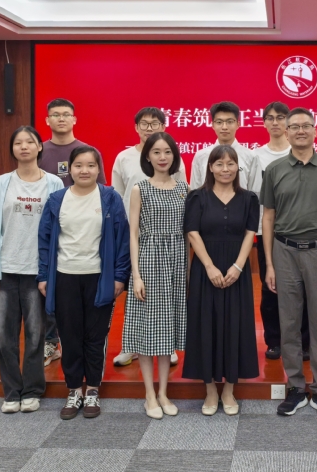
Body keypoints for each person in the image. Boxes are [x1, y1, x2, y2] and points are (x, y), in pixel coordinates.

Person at [261, 108, 317, 418]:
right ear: (285, 132)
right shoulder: (274, 169)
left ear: (315, 130)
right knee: (289, 322)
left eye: (306, 126)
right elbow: (268, 218)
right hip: (284, 252)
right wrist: (269, 264)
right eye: (294, 126)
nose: (300, 130)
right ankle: (296, 387)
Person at [37, 145, 130, 421]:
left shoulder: (110, 197)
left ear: (98, 169)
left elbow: (122, 239)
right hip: (64, 276)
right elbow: (45, 241)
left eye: (91, 165)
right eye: (79, 165)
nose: (85, 170)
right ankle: (74, 390)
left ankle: (92, 390)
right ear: (70, 169)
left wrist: (119, 276)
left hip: (99, 278)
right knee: (69, 336)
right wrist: (43, 276)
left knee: (95, 337)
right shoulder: (57, 199)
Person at [0, 126, 64, 414]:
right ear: (13, 149)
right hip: (6, 270)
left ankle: (32, 390)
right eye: (18, 143)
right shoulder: (0, 184)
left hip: (37, 272)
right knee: (5, 336)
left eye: (30, 142)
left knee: (35, 334)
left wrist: (52, 271)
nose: (24, 147)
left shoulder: (54, 183)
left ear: (40, 147)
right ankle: (11, 392)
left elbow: (59, 228)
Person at [183, 145, 260, 416]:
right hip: (206, 269)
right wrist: (209, 267)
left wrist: (239, 266)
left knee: (235, 325)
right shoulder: (197, 197)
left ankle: (229, 389)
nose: (225, 169)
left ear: (238, 167)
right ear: (210, 168)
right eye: (219, 164)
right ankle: (210, 390)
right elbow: (192, 233)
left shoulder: (249, 198)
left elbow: (250, 233)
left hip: (237, 270)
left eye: (230, 164)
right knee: (206, 325)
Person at [112, 107, 186, 368]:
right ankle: (131, 346)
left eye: (155, 123)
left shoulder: (175, 161)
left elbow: (182, 199)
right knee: (137, 293)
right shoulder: (123, 157)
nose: (149, 128)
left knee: (168, 294)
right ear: (136, 127)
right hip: (134, 234)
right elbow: (117, 196)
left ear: (163, 127)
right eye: (144, 123)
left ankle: (168, 345)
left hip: (170, 239)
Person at [122, 132, 188, 419]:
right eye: (157, 152)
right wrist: (136, 275)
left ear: (174, 156)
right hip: (149, 261)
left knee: (167, 330)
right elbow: (133, 234)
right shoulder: (140, 188)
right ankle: (149, 393)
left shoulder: (184, 188)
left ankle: (163, 392)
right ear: (147, 156)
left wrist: (187, 271)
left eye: (167, 152)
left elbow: (188, 232)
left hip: (177, 262)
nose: (163, 157)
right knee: (148, 329)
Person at [38, 98, 106, 369]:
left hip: (85, 231)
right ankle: (50, 342)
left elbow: (102, 191)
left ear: (75, 119)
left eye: (66, 114)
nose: (61, 119)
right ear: (47, 120)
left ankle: (76, 348)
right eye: (55, 115)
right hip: (49, 225)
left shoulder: (87, 151)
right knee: (50, 288)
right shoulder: (40, 150)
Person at [252, 101, 310, 361]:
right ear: (264, 122)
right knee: (270, 287)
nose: (275, 122)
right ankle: (274, 341)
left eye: (280, 117)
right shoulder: (256, 157)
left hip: (300, 232)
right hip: (266, 231)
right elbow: (254, 197)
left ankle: (304, 342)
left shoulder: (302, 152)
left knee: (304, 289)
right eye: (270, 118)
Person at [189, 101, 259, 192]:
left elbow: (255, 192)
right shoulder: (201, 156)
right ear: (213, 125)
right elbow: (195, 192)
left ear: (238, 124)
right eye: (219, 122)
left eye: (230, 122)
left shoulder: (250, 156)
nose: (224, 127)